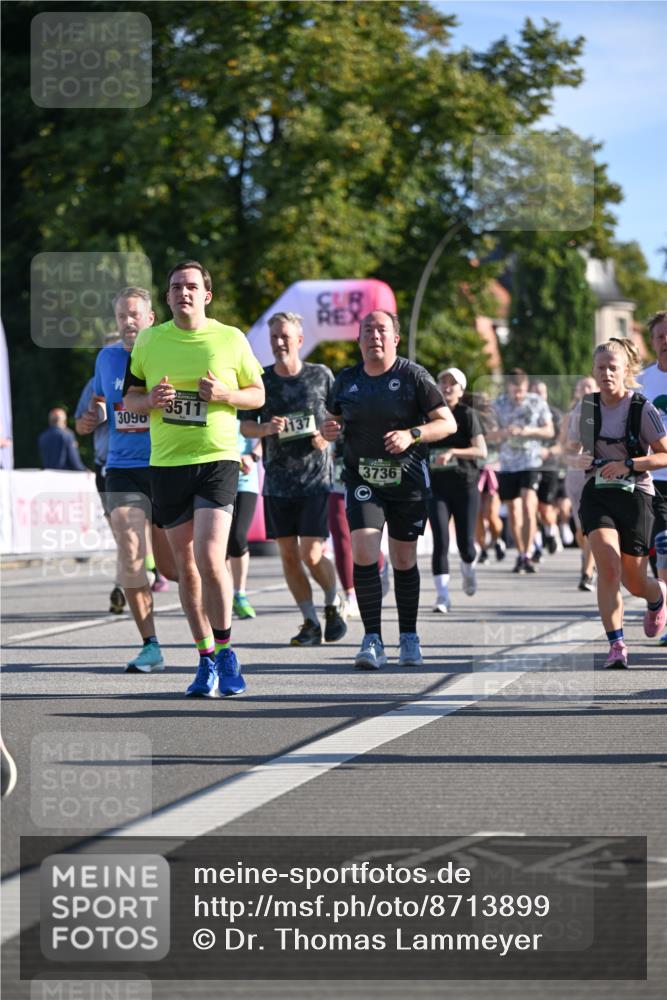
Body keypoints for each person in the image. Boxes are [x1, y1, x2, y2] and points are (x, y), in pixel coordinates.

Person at [124, 260, 264, 697]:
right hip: (167, 464)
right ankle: (205, 658)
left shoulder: (230, 338)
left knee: (208, 558)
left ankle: (225, 648)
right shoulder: (149, 340)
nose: (183, 292)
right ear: (166, 298)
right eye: (175, 287)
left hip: (217, 459)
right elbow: (129, 397)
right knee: (185, 569)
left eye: (191, 286)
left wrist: (225, 395)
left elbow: (258, 393)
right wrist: (150, 399)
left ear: (206, 295)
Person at [322, 310, 455, 669]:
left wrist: (413, 434)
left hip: (408, 481)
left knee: (402, 559)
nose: (374, 336)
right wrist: (329, 429)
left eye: (382, 330)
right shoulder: (347, 379)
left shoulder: (414, 376)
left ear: (395, 338)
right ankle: (372, 638)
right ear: (359, 338)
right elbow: (330, 418)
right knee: (364, 549)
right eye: (368, 330)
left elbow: (447, 423)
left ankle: (408, 635)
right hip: (362, 479)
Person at [240, 312, 346, 646]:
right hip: (277, 481)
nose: (279, 343)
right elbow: (245, 426)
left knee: (311, 554)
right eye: (274, 338)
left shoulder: (321, 376)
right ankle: (310, 621)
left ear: (299, 340)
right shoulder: (262, 379)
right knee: (288, 555)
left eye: (285, 336)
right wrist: (266, 429)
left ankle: (333, 601)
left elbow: (340, 418)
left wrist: (327, 437)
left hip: (316, 479)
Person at [88, 287, 178, 672]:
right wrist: (93, 416)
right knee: (129, 550)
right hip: (122, 467)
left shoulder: (169, 350)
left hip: (167, 463)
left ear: (151, 318)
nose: (127, 322)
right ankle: (150, 644)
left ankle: (213, 634)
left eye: (134, 315)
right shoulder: (106, 358)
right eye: (121, 316)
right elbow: (100, 401)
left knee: (176, 568)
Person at [566, 337, 667, 668]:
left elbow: (664, 455)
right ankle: (617, 645)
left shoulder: (642, 408)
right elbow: (571, 450)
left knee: (633, 581)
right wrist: (577, 459)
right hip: (597, 493)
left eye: (613, 368)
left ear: (626, 371)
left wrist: (630, 465)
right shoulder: (587, 408)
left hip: (636, 494)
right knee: (607, 566)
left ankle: (656, 597)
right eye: (601, 368)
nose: (607, 373)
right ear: (593, 372)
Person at [428, 367, 487, 612]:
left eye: (452, 383)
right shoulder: (429, 415)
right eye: (443, 382)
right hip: (436, 487)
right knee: (440, 541)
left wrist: (453, 451)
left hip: (465, 486)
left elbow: (481, 451)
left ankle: (468, 568)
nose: (447, 387)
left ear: (461, 390)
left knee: (466, 545)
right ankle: (442, 597)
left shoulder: (467, 415)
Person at [488, 369, 554, 574]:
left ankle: (528, 553)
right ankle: (521, 553)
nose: (518, 395)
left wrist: (528, 431)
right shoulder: (498, 404)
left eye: (522, 391)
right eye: (514, 391)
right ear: (507, 388)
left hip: (531, 462)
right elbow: (489, 435)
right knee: (514, 512)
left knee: (528, 505)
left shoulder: (536, 402)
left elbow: (549, 430)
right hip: (508, 464)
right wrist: (504, 432)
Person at [639, 311, 667, 642]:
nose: (665, 341)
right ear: (652, 341)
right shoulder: (642, 382)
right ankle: (662, 606)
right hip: (653, 479)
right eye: (660, 336)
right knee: (660, 546)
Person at [560, 375, 598, 592]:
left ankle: (587, 571)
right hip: (574, 475)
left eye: (589, 386)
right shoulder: (570, 416)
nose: (585, 389)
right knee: (580, 528)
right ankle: (588, 561)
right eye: (581, 386)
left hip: (595, 475)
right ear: (576, 392)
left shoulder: (604, 411)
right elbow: (563, 448)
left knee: (591, 525)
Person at [228, 422, 261, 619]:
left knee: (238, 536)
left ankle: (239, 593)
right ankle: (224, 592)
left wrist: (253, 456)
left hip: (244, 479)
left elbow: (267, 433)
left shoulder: (248, 396)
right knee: (218, 543)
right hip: (217, 476)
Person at [529, 379, 563, 561]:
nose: (537, 396)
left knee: (545, 508)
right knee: (530, 506)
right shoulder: (524, 415)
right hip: (528, 467)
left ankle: (551, 531)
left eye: (540, 392)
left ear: (546, 395)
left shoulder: (555, 415)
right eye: (533, 393)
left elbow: (562, 444)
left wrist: (547, 451)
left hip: (549, 466)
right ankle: (536, 547)